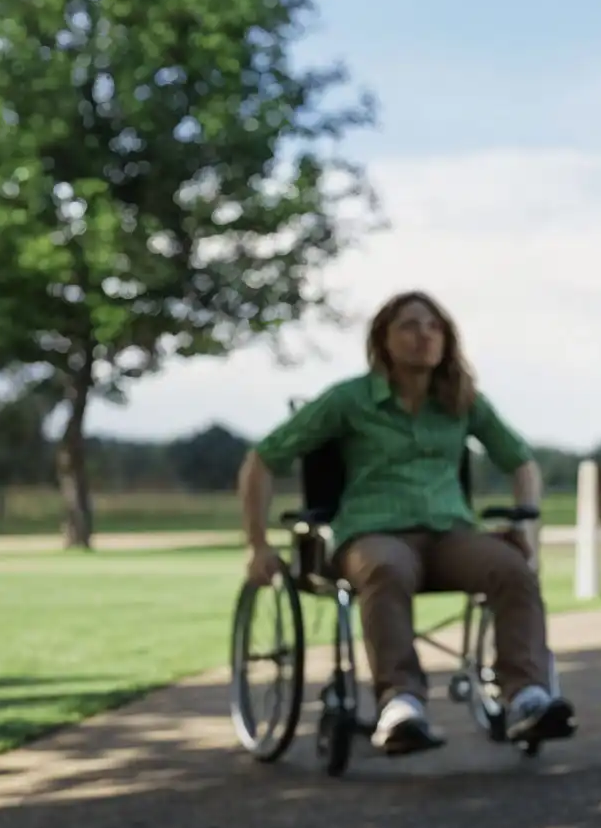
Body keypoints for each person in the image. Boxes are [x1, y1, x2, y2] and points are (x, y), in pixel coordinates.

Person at [239, 290, 570, 755]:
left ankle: (527, 698)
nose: (424, 336)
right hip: (373, 533)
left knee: (512, 568)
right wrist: (256, 544)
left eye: (434, 327)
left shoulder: (462, 400)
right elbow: (263, 459)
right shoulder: (349, 399)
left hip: (449, 536)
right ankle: (401, 703)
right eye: (410, 326)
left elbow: (521, 461)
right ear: (383, 340)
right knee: (386, 568)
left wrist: (526, 527)